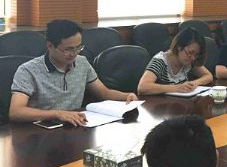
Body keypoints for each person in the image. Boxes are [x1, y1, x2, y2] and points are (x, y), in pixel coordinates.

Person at [9, 19, 137, 127]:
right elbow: (16, 112)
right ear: (50, 46)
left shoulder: (82, 62)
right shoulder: (28, 70)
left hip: (74, 126)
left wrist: (126, 96)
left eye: (78, 47)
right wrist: (58, 113)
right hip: (39, 132)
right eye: (68, 49)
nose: (74, 53)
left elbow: (104, 93)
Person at [137, 27, 213, 95]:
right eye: (190, 52)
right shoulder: (160, 60)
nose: (193, 58)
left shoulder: (190, 60)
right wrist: (177, 88)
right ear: (179, 47)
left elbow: (208, 76)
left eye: (196, 55)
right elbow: (142, 87)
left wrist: (194, 83)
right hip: (159, 104)